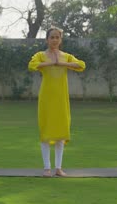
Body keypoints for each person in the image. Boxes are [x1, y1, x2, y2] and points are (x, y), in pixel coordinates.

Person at [28, 28, 86, 177]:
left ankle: (58, 168)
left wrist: (61, 64)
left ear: (60, 40)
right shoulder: (40, 55)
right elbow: (32, 65)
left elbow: (81, 65)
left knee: (61, 132)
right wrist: (49, 64)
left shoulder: (66, 57)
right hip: (46, 98)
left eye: (57, 37)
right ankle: (47, 168)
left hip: (61, 98)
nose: (54, 40)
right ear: (47, 39)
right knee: (46, 132)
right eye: (51, 37)